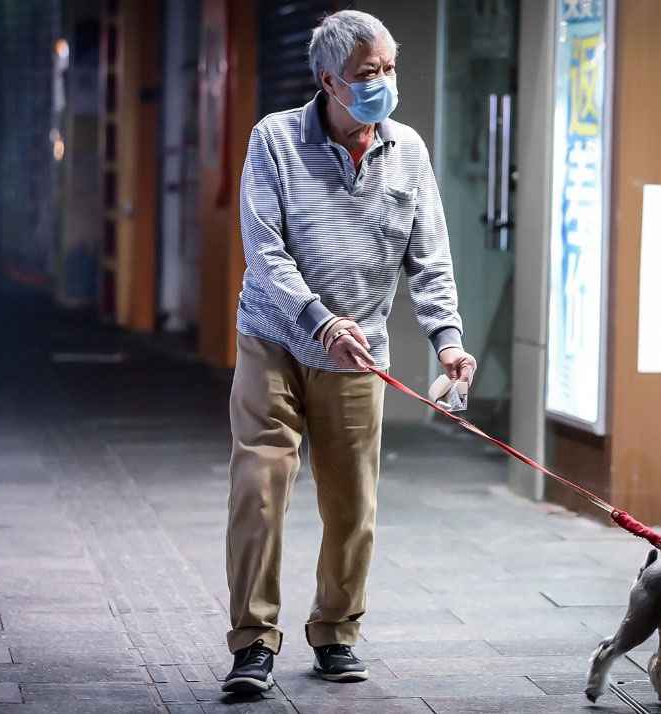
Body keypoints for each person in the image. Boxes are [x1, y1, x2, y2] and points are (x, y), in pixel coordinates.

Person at [221, 9, 476, 694]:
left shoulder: (409, 151)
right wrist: (317, 317)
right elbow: (264, 251)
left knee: (352, 505)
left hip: (358, 353)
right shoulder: (274, 139)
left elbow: (430, 259)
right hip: (274, 337)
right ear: (329, 80)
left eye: (391, 69)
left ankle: (336, 631)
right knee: (260, 489)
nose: (385, 83)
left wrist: (448, 342)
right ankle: (253, 641)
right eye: (369, 74)